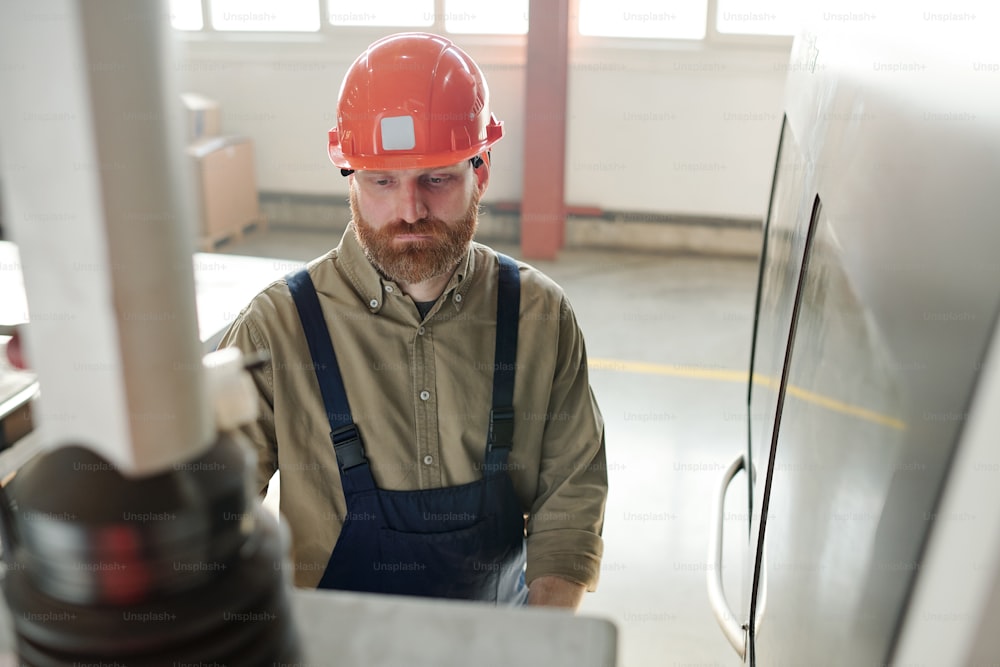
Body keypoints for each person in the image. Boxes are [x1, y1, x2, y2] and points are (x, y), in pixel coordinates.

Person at [219, 32, 607, 609]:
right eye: (382, 181)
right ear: (350, 177)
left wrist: (538, 641)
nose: (410, 210)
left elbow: (571, 497)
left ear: (482, 170)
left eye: (438, 178)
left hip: (495, 646)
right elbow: (215, 519)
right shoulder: (277, 327)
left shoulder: (539, 316)